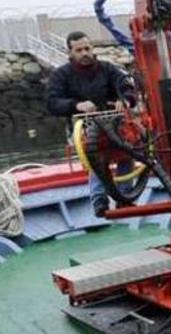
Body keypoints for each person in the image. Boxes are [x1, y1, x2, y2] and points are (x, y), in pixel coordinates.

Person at [45, 31, 136, 216]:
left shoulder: (107, 69)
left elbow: (126, 85)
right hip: (83, 130)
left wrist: (124, 99)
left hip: (115, 125)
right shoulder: (61, 75)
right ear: (70, 53)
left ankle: (125, 197)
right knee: (96, 156)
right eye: (79, 50)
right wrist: (76, 105)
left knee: (128, 151)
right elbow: (52, 102)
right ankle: (99, 201)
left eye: (87, 48)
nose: (85, 53)